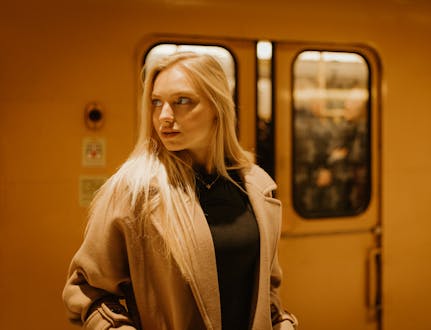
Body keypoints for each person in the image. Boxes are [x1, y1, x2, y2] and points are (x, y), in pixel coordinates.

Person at [62, 52, 298, 330]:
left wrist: (281, 322)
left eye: (182, 101)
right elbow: (87, 291)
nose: (164, 116)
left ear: (217, 107)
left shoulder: (256, 186)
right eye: (156, 103)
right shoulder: (134, 190)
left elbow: (265, 289)